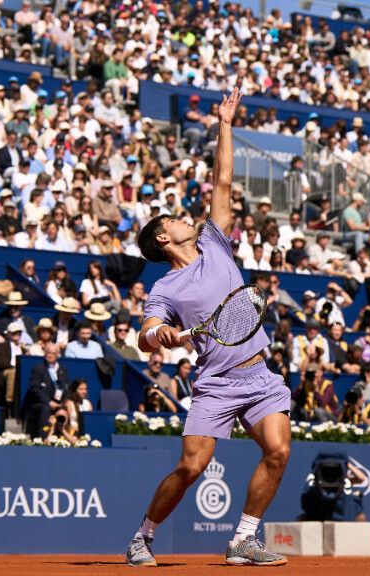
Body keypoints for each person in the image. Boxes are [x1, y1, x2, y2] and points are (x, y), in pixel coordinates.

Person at [127, 90, 289, 568]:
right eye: (174, 218)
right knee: (192, 465)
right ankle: (143, 536)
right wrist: (162, 336)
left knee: (277, 452)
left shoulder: (215, 243)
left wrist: (225, 123)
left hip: (259, 373)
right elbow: (146, 332)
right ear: (163, 238)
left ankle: (243, 541)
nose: (185, 218)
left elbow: (222, 180)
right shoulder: (165, 287)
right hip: (215, 383)